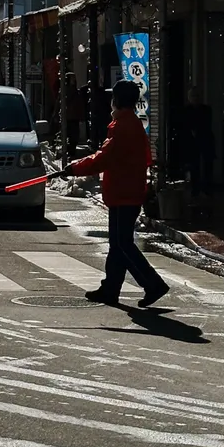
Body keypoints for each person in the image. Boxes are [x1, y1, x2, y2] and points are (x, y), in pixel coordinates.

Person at [63, 78, 169, 307]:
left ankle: (153, 284)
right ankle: (110, 289)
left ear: (117, 100)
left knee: (122, 244)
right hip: (126, 190)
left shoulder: (123, 127)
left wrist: (74, 168)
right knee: (118, 244)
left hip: (124, 192)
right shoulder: (129, 124)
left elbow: (103, 158)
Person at [182, 85, 215, 204]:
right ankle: (195, 190)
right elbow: (185, 126)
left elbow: (206, 125)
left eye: (197, 96)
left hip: (205, 140)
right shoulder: (186, 110)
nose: (195, 98)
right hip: (192, 143)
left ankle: (207, 190)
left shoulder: (206, 110)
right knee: (194, 167)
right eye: (192, 96)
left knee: (207, 166)